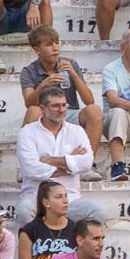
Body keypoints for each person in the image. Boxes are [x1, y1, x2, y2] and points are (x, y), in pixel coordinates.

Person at [15, 87, 102, 224]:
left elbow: (87, 162)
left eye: (64, 105)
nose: (61, 110)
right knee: (24, 211)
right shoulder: (28, 132)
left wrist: (50, 160)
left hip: (70, 197)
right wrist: (70, 164)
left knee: (97, 212)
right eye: (55, 106)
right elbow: (31, 169)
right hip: (36, 195)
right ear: (43, 109)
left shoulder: (77, 131)